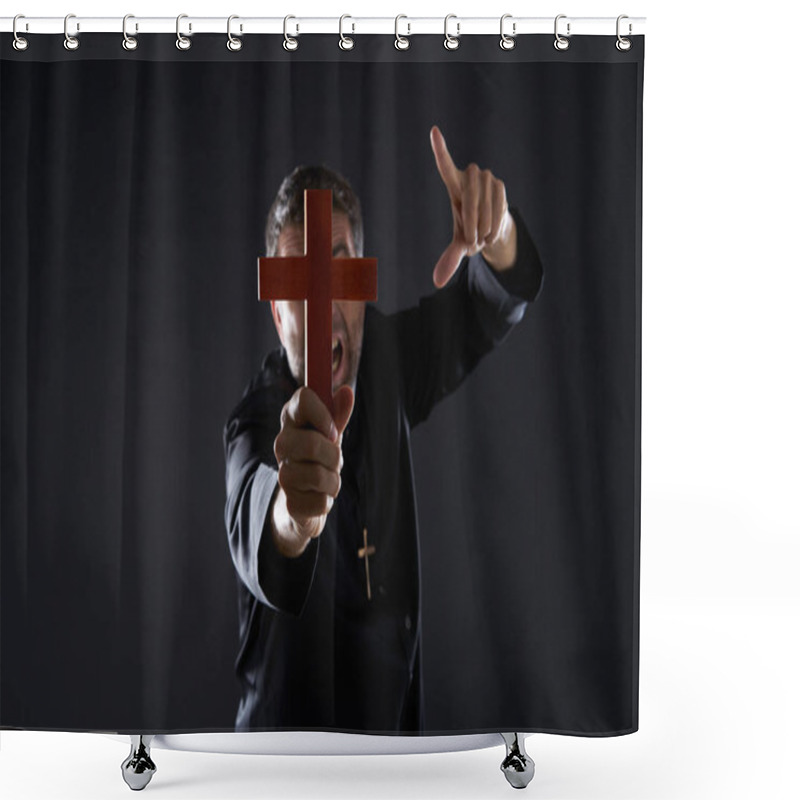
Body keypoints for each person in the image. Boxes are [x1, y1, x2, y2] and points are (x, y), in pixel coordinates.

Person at [223, 125, 544, 733]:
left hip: (394, 746)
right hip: (280, 758)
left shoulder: (391, 360)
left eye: (338, 271)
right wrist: (294, 513)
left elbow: (495, 298)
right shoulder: (255, 417)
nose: (321, 304)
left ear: (363, 284)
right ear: (275, 308)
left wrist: (494, 229)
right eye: (299, 279)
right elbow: (256, 518)